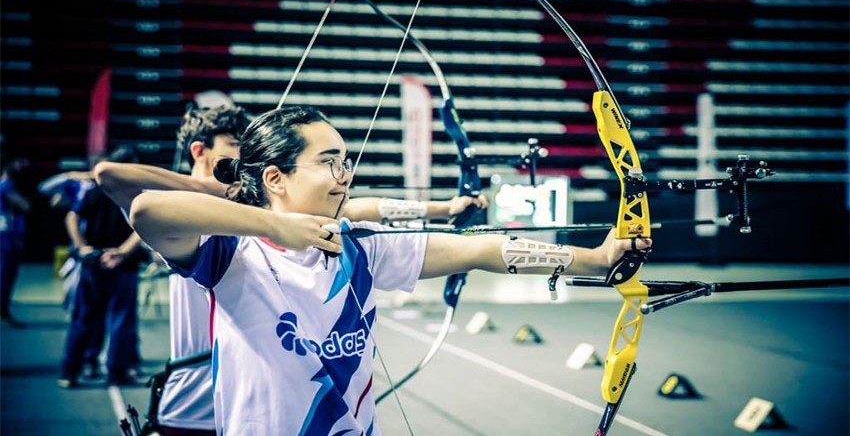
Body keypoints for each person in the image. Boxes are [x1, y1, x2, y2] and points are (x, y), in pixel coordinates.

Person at [119, 106, 649, 435]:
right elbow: (147, 210)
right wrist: (280, 229)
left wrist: (595, 258)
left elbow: (482, 250)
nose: (343, 175)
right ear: (276, 178)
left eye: (345, 161)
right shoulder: (231, 256)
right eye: (328, 161)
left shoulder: (365, 250)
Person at [94, 104, 485, 435]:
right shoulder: (211, 227)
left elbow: (359, 208)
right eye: (233, 146)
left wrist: (440, 209)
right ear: (201, 151)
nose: (241, 153)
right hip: (194, 396)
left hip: (252, 392)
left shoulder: (264, 209)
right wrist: (228, 195)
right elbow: (113, 179)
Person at [59, 147, 148, 388]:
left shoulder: (96, 190)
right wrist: (121, 253)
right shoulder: (135, 194)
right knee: (120, 319)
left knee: (85, 317)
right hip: (122, 265)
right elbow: (143, 228)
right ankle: (116, 371)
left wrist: (82, 247)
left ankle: (70, 371)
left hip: (95, 261)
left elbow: (72, 217)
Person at [0, 156, 31, 327]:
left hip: (11, 236)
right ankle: (3, 308)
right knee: (5, 274)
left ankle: (4, 305)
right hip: (7, 237)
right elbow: (24, 205)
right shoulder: (6, 186)